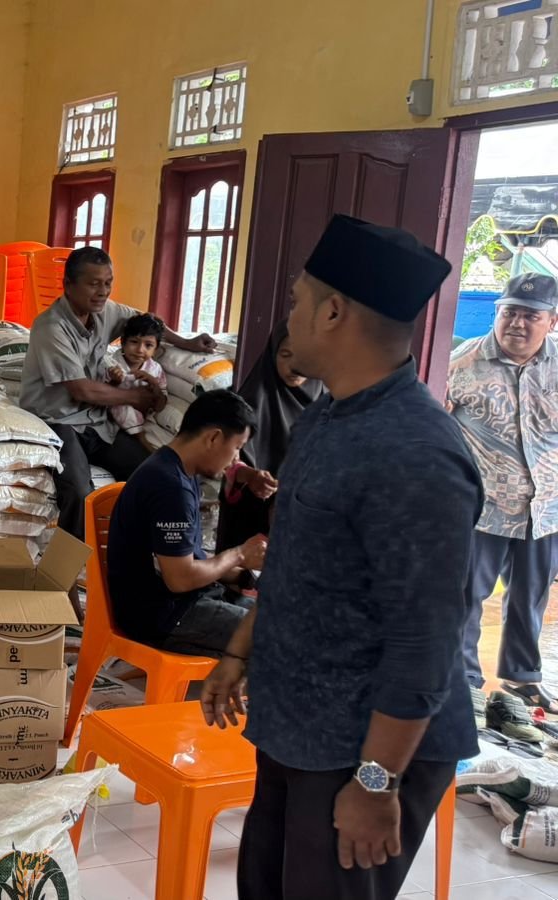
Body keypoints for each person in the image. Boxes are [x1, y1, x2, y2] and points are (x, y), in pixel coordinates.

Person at [201, 214, 480, 900]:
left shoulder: (417, 453)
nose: (288, 316)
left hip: (366, 749)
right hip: (300, 725)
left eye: (297, 299)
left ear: (332, 312)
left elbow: (425, 640)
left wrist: (377, 783)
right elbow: (299, 563)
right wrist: (239, 650)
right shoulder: (328, 417)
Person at [15, 246, 218, 539]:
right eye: (94, 284)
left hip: (98, 421)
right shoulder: (51, 327)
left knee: (150, 471)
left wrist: (186, 343)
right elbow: (81, 389)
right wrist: (136, 397)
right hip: (58, 421)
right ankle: (76, 563)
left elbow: (147, 322)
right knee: (79, 490)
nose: (103, 292)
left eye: (108, 283)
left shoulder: (106, 312)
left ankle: (136, 546)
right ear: (68, 284)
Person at [447, 273, 558, 717]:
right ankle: (465, 681)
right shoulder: (463, 362)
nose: (517, 323)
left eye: (530, 315)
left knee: (531, 597)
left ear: (552, 321)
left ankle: (522, 677)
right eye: (510, 312)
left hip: (545, 507)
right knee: (467, 596)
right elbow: (432, 425)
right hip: (484, 506)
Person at [106, 389, 268, 657]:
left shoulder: (174, 468)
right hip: (163, 616)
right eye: (237, 448)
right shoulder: (170, 487)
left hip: (178, 602)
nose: (236, 460)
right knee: (281, 639)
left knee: (284, 618)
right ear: (213, 437)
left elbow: (187, 557)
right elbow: (180, 579)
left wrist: (243, 575)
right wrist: (239, 554)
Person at [216, 322, 325, 550]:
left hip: (302, 517)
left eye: (303, 356)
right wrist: (250, 475)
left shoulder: (328, 405)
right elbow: (226, 463)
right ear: (272, 355)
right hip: (250, 520)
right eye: (285, 355)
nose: (295, 366)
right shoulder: (249, 403)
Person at [104, 312, 168, 435]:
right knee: (122, 407)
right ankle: (140, 437)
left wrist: (154, 384)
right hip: (116, 413)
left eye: (148, 345)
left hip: (144, 413)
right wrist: (114, 381)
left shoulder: (155, 369)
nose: (140, 350)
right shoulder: (111, 363)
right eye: (134, 342)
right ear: (123, 343)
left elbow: (160, 403)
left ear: (155, 350)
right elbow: (100, 396)